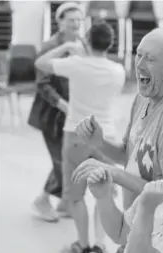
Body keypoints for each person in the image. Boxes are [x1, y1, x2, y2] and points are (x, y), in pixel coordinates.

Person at [73, 27, 163, 210]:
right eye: (138, 55)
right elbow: (129, 157)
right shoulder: (143, 97)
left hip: (157, 232)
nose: (139, 65)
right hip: (135, 222)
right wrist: (99, 142)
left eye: (150, 59)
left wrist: (114, 174)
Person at [35, 21, 126, 253]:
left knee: (76, 197)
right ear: (111, 44)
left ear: (86, 40)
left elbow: (40, 63)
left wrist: (66, 46)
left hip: (75, 135)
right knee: (103, 193)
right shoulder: (118, 71)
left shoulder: (76, 65)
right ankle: (100, 244)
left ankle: (82, 244)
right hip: (105, 138)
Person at [28, 2, 87, 222]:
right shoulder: (50, 46)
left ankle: (64, 203)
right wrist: (62, 104)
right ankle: (41, 201)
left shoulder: (82, 43)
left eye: (79, 20)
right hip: (51, 114)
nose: (76, 24)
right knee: (61, 161)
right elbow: (42, 84)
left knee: (73, 159)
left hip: (75, 111)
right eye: (71, 20)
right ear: (60, 21)